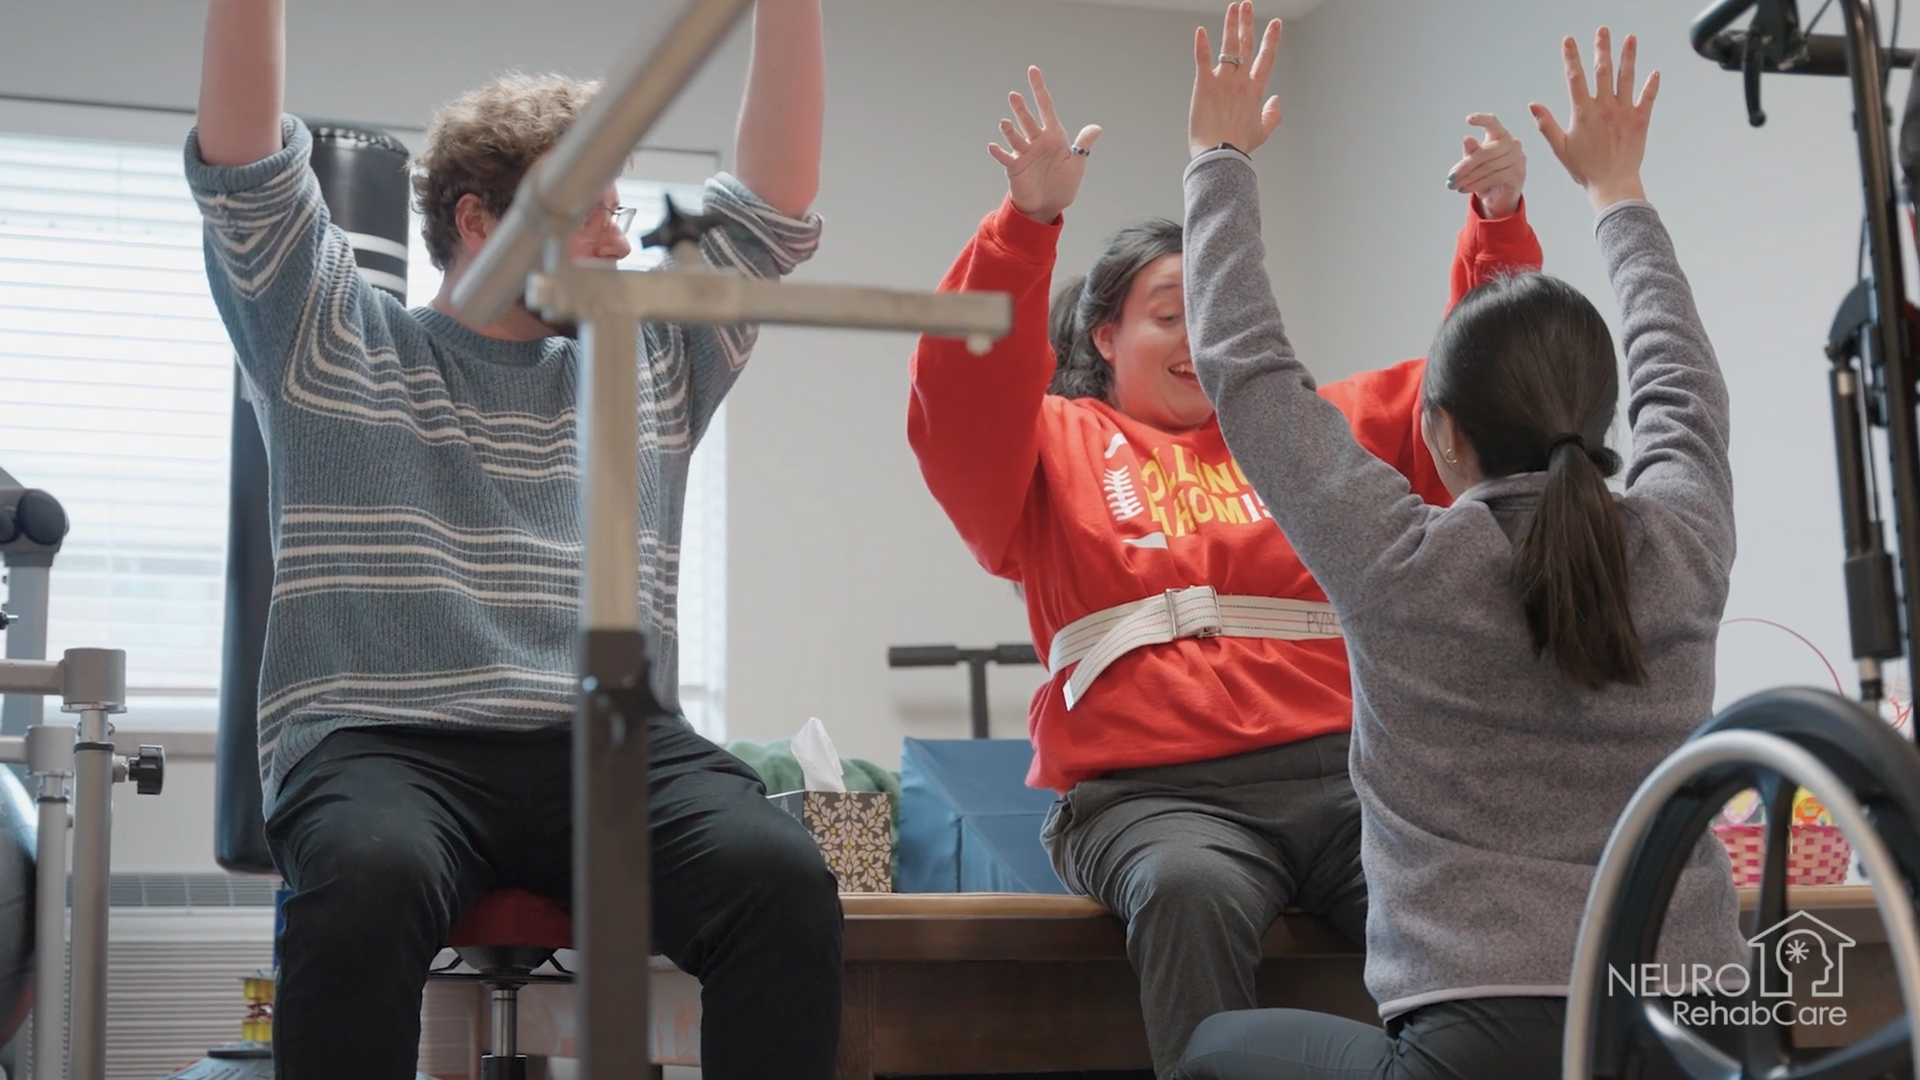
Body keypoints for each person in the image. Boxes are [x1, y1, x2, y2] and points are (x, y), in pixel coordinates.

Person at [187, 2, 841, 1077]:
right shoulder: (330, 339)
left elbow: (771, 202)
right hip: (382, 742)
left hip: (609, 747)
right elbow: (248, 169)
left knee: (778, 877)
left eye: (620, 210)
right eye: (589, 210)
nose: (617, 239)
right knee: (366, 884)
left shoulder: (651, 362)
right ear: (481, 221)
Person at [906, 55, 1542, 1078]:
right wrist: (1024, 228)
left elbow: (1476, 395)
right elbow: (958, 398)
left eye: (1219, 307)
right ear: (1106, 334)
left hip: (1349, 781)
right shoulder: (1053, 443)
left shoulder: (1305, 433)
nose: (1201, 338)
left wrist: (1500, 224)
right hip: (1155, 801)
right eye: (1170, 313)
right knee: (1190, 889)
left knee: (1459, 887)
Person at [1172, 10, 1746, 1078]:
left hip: (1480, 1045)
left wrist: (1219, 160)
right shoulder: (1683, 544)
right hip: (1698, 1033)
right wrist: (1616, 192)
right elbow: (1683, 374)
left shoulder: (1404, 564)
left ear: (1439, 432)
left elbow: (1247, 372)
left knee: (1213, 1049)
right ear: (1607, 414)